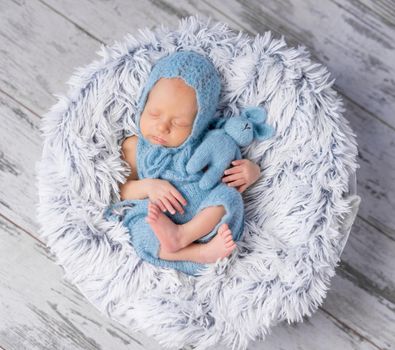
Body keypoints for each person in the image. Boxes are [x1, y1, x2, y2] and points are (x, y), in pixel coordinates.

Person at [105, 51, 271, 276]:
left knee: (230, 197)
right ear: (143, 103)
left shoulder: (206, 141)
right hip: (159, 218)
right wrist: (149, 186)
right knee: (139, 226)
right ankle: (196, 253)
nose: (163, 127)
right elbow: (122, 190)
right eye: (154, 114)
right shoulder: (135, 146)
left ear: (199, 123)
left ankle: (183, 235)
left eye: (179, 122)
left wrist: (250, 171)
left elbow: (227, 171)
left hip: (203, 224)